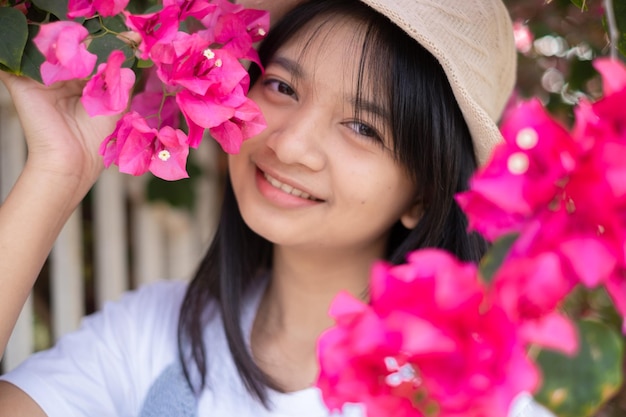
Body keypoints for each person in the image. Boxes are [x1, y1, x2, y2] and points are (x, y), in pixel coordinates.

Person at [0, 0, 536, 415]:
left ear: (424, 194)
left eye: (362, 127)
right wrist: (57, 172)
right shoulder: (154, 335)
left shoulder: (468, 398)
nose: (289, 145)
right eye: (281, 85)